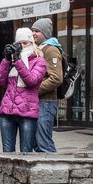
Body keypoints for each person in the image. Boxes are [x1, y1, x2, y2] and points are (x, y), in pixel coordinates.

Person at [0, 27, 46, 153]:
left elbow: (31, 81)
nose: (22, 46)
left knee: (26, 152)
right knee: (7, 152)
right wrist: (6, 60)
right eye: (19, 44)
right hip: (8, 111)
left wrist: (18, 61)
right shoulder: (12, 61)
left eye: (25, 43)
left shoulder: (40, 61)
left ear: (32, 43)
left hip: (27, 112)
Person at [31, 18, 62, 153]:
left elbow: (56, 78)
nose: (33, 33)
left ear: (45, 33)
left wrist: (35, 90)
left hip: (47, 101)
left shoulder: (51, 50)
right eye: (32, 30)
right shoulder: (38, 49)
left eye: (37, 31)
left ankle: (54, 170)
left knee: (44, 143)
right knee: (36, 142)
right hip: (39, 101)